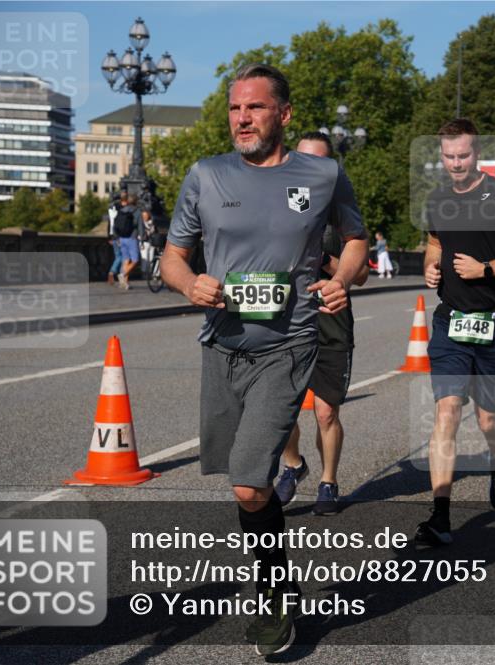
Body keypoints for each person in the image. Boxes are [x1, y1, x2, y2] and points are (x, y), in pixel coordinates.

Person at [159, 63, 367, 655]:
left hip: (290, 343)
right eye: (234, 109)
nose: (242, 118)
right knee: (240, 485)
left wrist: (343, 277)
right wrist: (188, 283)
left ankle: (274, 598)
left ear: (284, 114)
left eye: (254, 107)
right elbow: (174, 255)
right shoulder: (205, 174)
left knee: (252, 483)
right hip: (222, 347)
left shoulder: (323, 174)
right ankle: (278, 573)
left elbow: (355, 238)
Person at [419, 117, 495, 545]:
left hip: (493, 323)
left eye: (463, 155)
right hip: (450, 320)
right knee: (446, 411)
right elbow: (434, 243)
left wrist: (485, 268)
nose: (456, 163)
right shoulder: (437, 199)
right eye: (449, 156)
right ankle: (440, 516)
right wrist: (431, 267)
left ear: (478, 153)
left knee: (488, 419)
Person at [274, 131, 369, 516]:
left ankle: (328, 481)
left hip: (331, 322)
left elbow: (360, 274)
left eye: (321, 161)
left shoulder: (341, 208)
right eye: (303, 159)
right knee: (279, 410)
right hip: (284, 321)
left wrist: (326, 263)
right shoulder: (274, 204)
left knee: (326, 411)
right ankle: (293, 465)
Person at [114, 193, 140, 289]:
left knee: (126, 260)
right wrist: (143, 236)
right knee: (135, 260)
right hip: (132, 238)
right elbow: (139, 225)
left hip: (122, 237)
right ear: (136, 201)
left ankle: (124, 283)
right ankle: (123, 274)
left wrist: (116, 237)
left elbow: (115, 224)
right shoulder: (136, 211)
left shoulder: (121, 210)